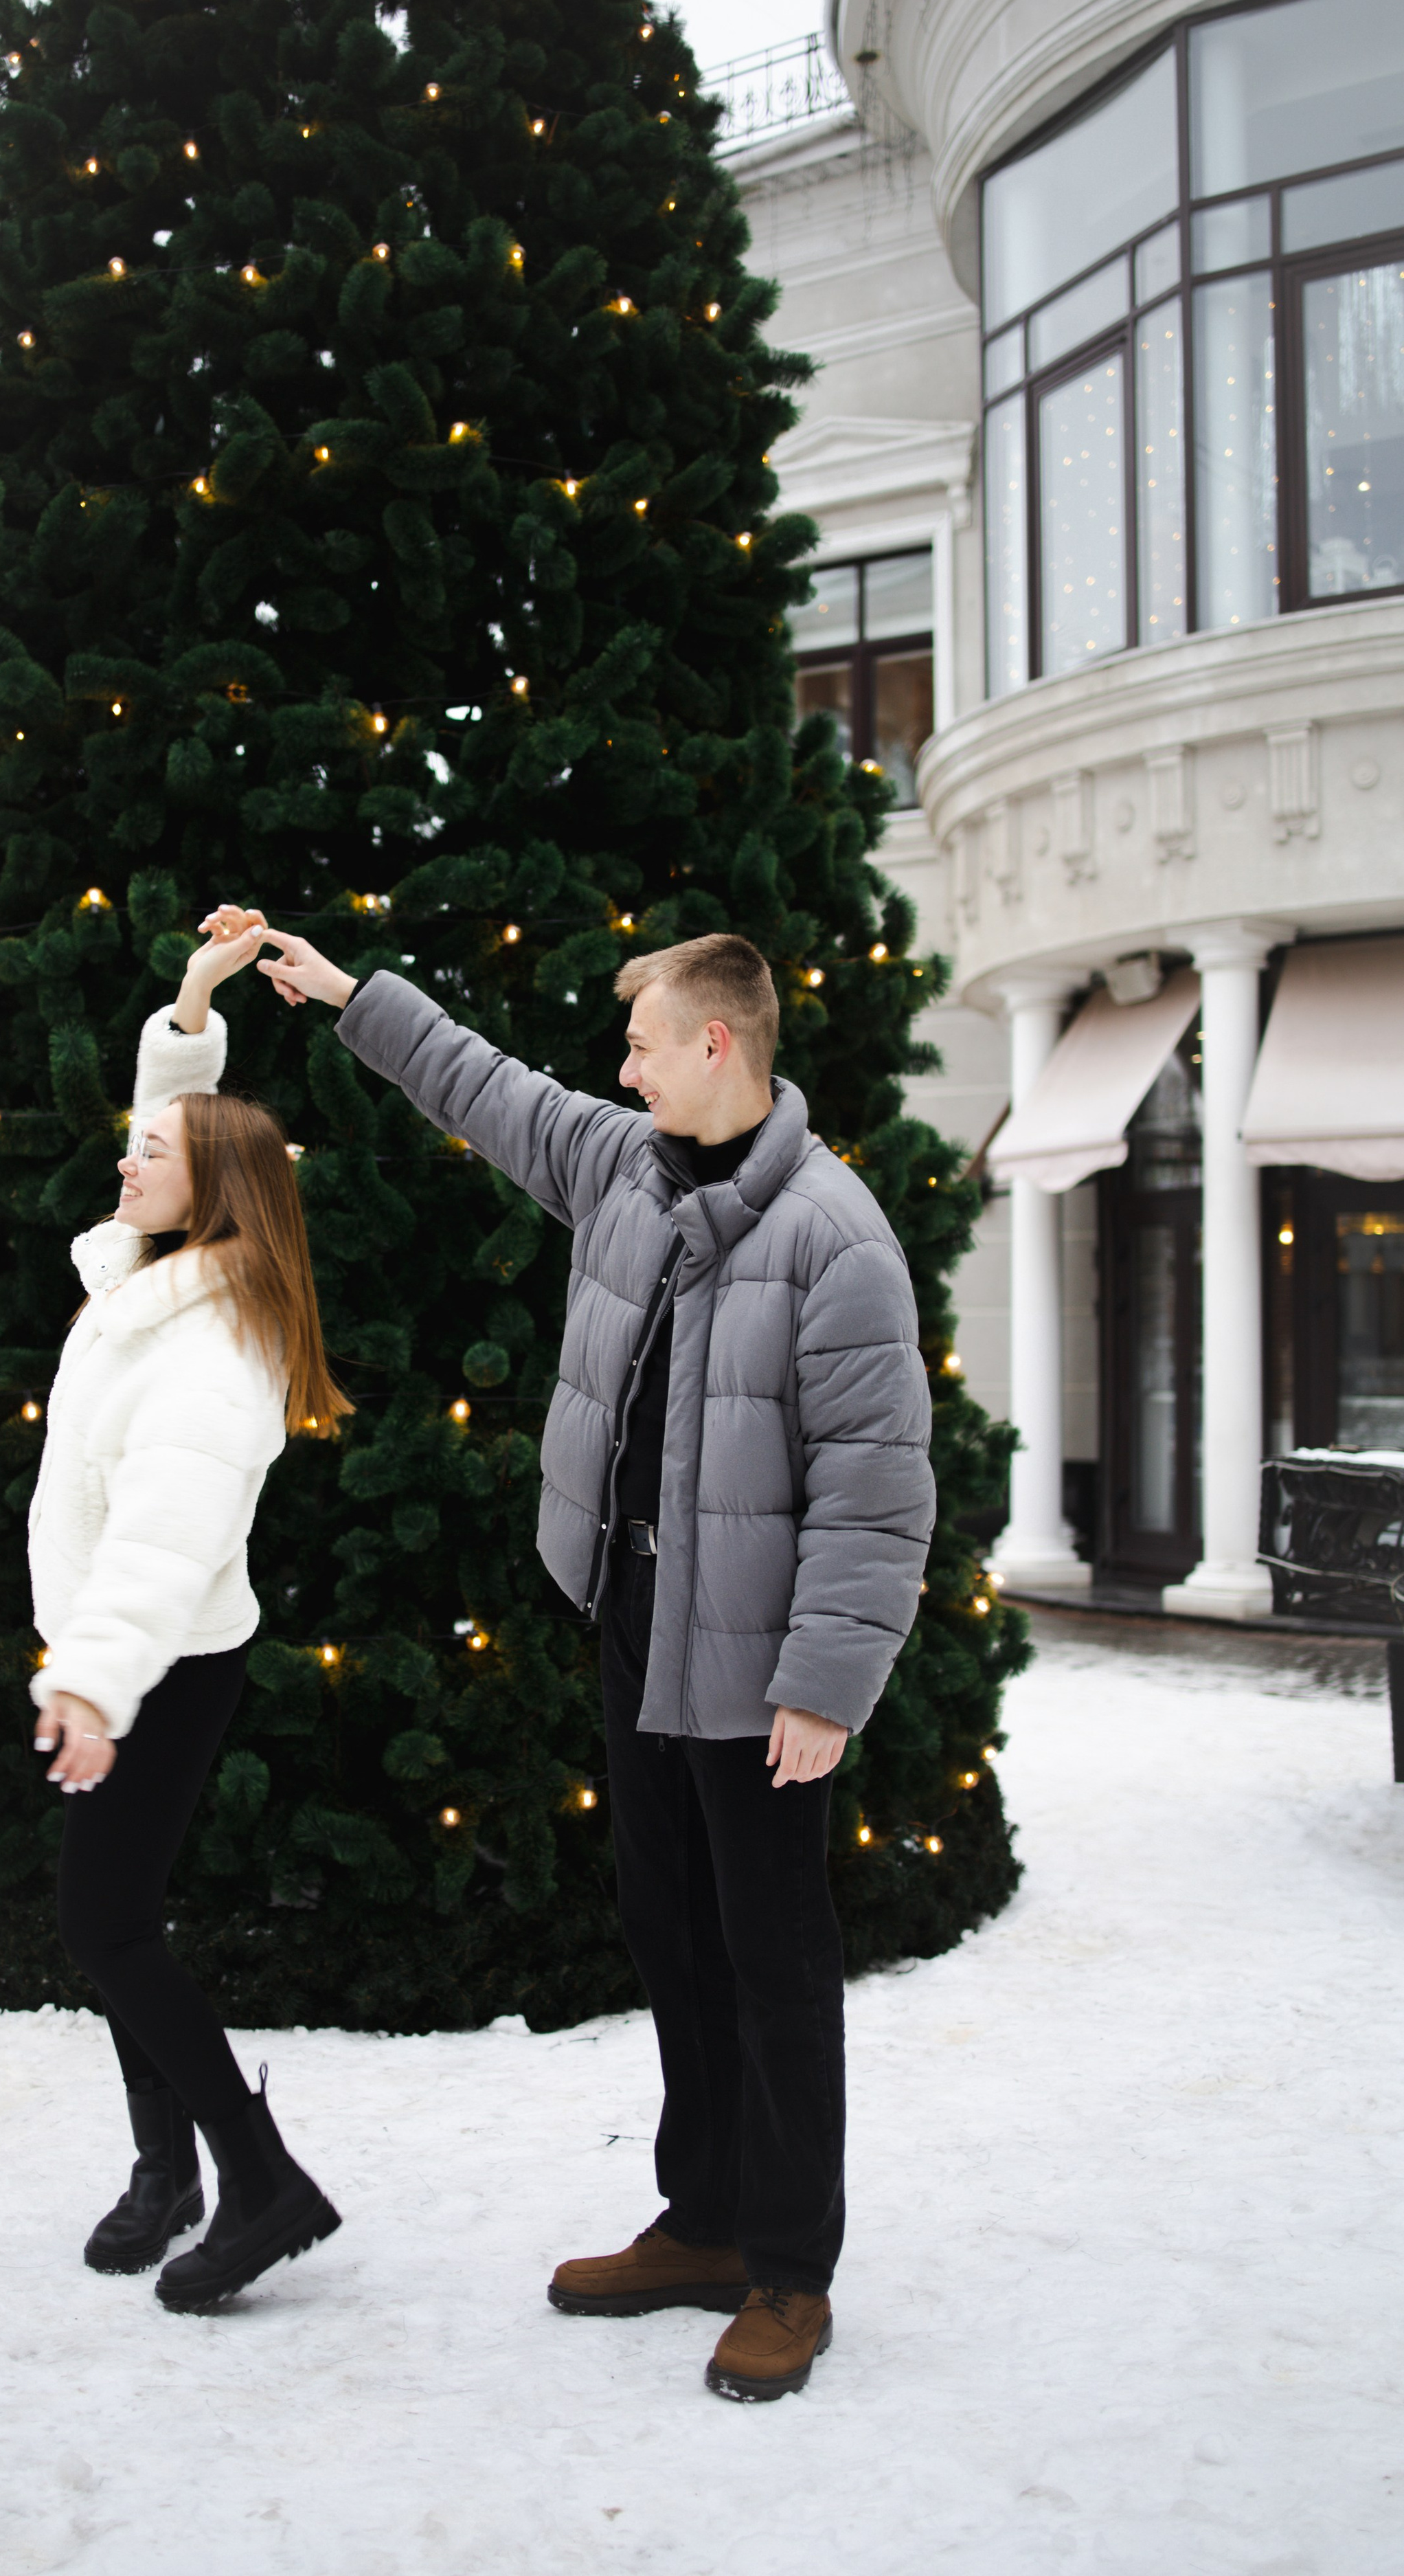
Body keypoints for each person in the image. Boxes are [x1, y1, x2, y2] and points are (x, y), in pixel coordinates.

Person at [243, 915, 934, 2401]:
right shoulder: (624, 1169)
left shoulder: (833, 1237)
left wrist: (824, 1685)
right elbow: (480, 1085)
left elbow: (878, 1489)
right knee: (670, 1935)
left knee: (773, 1962)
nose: (617, 1068)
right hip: (631, 1628)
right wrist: (345, 989)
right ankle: (701, 2221)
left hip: (760, 1671)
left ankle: (789, 2271)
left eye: (640, 1043)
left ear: (715, 1043)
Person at [28, 906, 350, 2314]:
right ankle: (168, 2176)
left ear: (204, 1191)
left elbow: (165, 1544)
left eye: (146, 1156)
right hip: (115, 1654)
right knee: (114, 1915)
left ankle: (257, 2176)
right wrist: (192, 1000)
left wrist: (95, 1686)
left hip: (156, 1663)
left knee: (105, 1927)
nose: (126, 1154)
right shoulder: (166, 1278)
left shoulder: (210, 1354)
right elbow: (178, 1117)